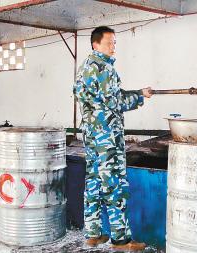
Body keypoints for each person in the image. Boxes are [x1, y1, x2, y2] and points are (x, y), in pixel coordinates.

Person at [73, 26, 152, 251]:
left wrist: (138, 92)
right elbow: (115, 103)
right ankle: (121, 240)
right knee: (114, 184)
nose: (113, 46)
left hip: (92, 136)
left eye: (114, 43)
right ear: (95, 44)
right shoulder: (105, 69)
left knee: (93, 183)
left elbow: (110, 96)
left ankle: (93, 233)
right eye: (109, 43)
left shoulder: (86, 68)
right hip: (107, 137)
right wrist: (138, 98)